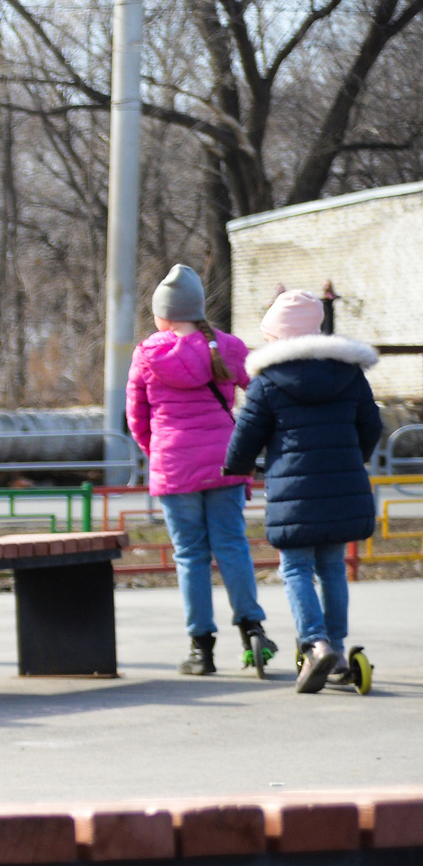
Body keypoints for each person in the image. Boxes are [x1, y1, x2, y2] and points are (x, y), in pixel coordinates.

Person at [222, 287, 382, 693]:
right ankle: (340, 650)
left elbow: (246, 437)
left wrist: (236, 468)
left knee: (295, 568)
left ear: (276, 336)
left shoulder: (268, 382)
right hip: (343, 485)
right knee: (332, 569)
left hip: (293, 493)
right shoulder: (349, 374)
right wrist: (352, 456)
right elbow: (371, 427)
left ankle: (315, 642)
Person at [128, 264, 272, 676]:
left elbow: (136, 417)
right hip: (225, 460)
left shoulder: (147, 353)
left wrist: (158, 451)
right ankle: (253, 631)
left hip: (174, 466)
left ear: (162, 314)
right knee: (232, 546)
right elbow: (259, 395)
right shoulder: (227, 346)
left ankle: (201, 649)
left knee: (190, 555)